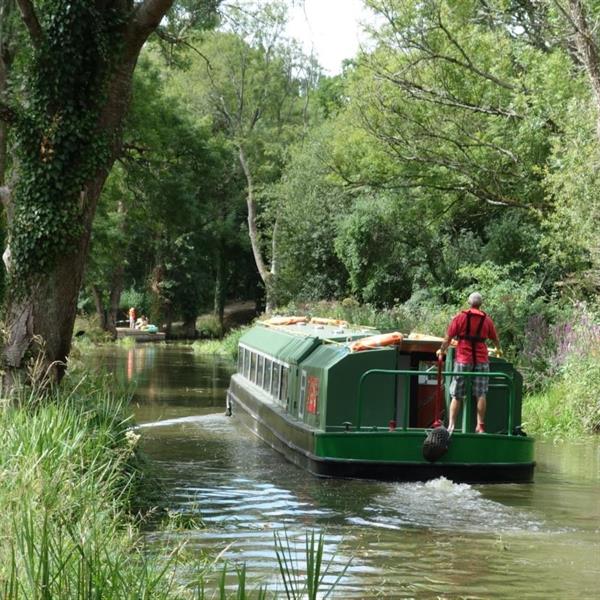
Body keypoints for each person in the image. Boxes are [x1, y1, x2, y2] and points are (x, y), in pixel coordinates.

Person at [437, 292, 501, 434]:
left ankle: (451, 426)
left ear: (469, 302)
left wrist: (441, 350)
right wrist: (499, 350)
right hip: (481, 359)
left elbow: (448, 338)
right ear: (481, 304)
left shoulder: (460, 317)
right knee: (481, 393)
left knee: (456, 394)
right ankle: (480, 426)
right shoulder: (487, 320)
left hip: (463, 359)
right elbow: (495, 339)